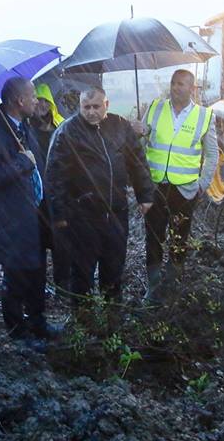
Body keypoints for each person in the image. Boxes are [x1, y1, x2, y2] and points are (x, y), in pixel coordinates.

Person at [46, 87, 154, 311]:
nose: (91, 112)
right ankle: (83, 316)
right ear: (80, 107)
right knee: (82, 270)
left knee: (114, 266)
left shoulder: (120, 126)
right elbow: (55, 175)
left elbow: (137, 161)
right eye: (86, 107)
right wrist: (59, 214)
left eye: (96, 106)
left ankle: (112, 313)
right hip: (82, 216)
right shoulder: (67, 132)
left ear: (107, 104)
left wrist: (145, 194)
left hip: (116, 211)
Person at [0, 77, 59, 346]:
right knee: (16, 277)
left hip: (34, 217)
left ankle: (38, 322)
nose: (36, 101)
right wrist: (22, 162)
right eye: (33, 96)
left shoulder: (24, 128)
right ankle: (18, 333)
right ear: (19, 101)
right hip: (9, 222)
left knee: (37, 272)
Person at [142, 69, 219, 300]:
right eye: (173, 83)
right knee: (153, 237)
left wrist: (202, 184)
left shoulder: (205, 115)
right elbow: (140, 141)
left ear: (192, 88)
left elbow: (212, 154)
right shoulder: (155, 108)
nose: (175, 87)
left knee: (180, 237)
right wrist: (138, 132)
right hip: (155, 187)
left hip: (185, 190)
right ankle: (153, 286)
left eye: (181, 84)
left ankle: (173, 281)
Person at [30, 82, 70, 294]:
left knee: (61, 240)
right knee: (38, 240)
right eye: (38, 100)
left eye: (46, 101)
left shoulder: (61, 126)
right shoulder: (27, 130)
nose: (42, 105)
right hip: (38, 194)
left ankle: (63, 283)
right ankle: (40, 284)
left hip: (58, 193)